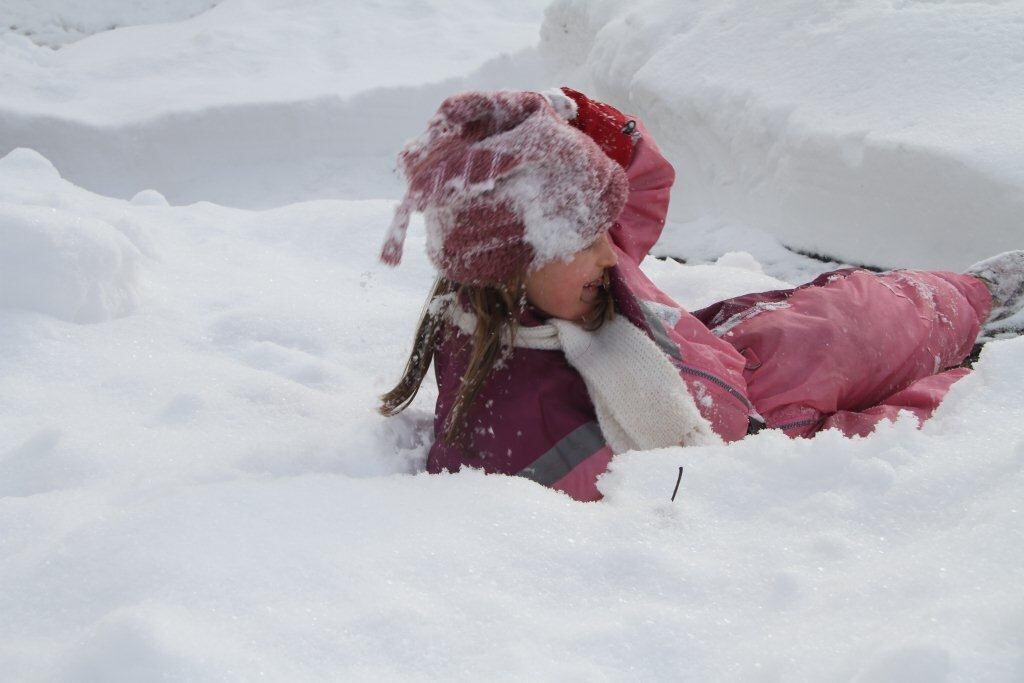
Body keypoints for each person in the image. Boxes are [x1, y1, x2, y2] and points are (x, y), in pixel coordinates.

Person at [378, 88, 1024, 502]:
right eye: (586, 239)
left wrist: (577, 115)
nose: (612, 252)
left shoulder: (568, 283)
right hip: (751, 453)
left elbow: (645, 184)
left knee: (856, 316)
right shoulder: (526, 431)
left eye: (605, 231)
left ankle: (982, 297)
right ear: (509, 265)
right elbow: (653, 511)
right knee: (917, 422)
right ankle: (996, 377)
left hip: (732, 357)